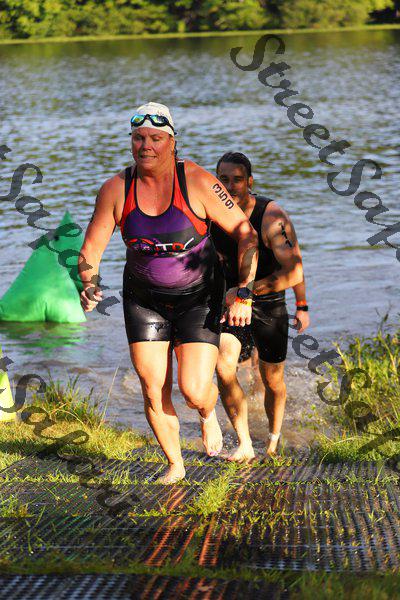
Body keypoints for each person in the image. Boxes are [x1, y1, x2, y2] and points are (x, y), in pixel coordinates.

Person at [78, 104, 258, 483]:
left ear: (172, 142)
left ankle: (206, 413)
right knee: (151, 385)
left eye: (156, 138)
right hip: (144, 299)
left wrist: (243, 290)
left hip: (199, 296)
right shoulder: (116, 189)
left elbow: (246, 234)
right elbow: (91, 249)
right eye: (138, 138)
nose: (146, 145)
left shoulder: (196, 180)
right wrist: (89, 282)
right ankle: (175, 464)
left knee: (194, 390)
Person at [210, 152, 309, 461]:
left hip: (267, 302)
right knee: (224, 366)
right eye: (223, 180)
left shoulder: (272, 217)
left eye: (237, 180)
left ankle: (273, 440)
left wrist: (302, 305)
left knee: (272, 380)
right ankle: (244, 442)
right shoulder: (210, 214)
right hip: (229, 303)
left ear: (250, 181)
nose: (230, 186)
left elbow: (294, 271)